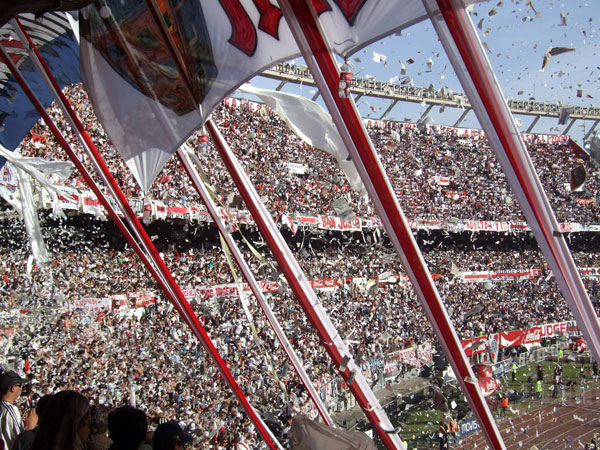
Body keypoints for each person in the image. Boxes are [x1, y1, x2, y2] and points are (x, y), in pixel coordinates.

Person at [0, 370, 37, 450]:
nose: (21, 388)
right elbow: (22, 443)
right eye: (20, 385)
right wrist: (30, 426)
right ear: (13, 388)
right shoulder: (10, 409)